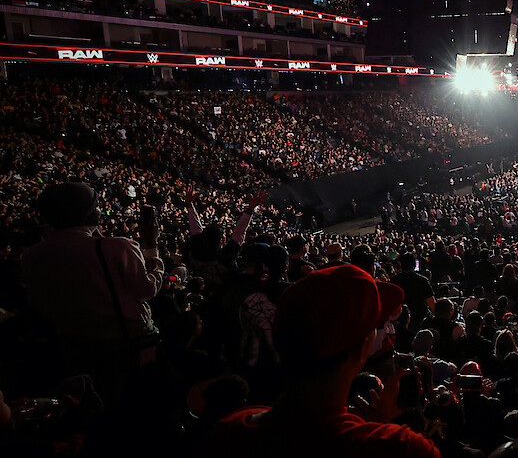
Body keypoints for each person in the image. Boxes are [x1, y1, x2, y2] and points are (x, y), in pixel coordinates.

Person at [205, 264, 439, 457]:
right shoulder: (401, 447)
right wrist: (389, 425)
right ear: (360, 349)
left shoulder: (228, 430)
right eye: (376, 327)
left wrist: (372, 421)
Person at [21, 182, 164, 401]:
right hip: (124, 343)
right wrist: (151, 244)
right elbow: (145, 290)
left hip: (71, 343)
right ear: (85, 212)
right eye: (96, 206)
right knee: (127, 399)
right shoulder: (117, 247)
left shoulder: (33, 255)